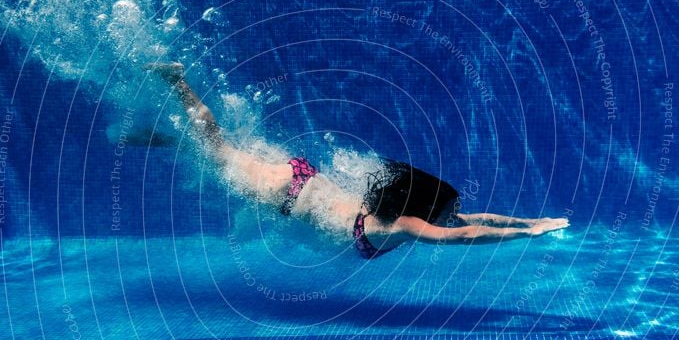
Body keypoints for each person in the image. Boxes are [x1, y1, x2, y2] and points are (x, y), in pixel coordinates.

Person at [144, 62, 569, 258]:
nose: (450, 215)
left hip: (300, 181)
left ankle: (168, 138)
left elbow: (475, 219)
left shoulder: (401, 215)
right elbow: (462, 236)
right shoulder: (399, 225)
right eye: (444, 210)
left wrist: (532, 222)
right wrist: (528, 235)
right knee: (217, 149)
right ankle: (176, 81)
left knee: (223, 150)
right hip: (286, 192)